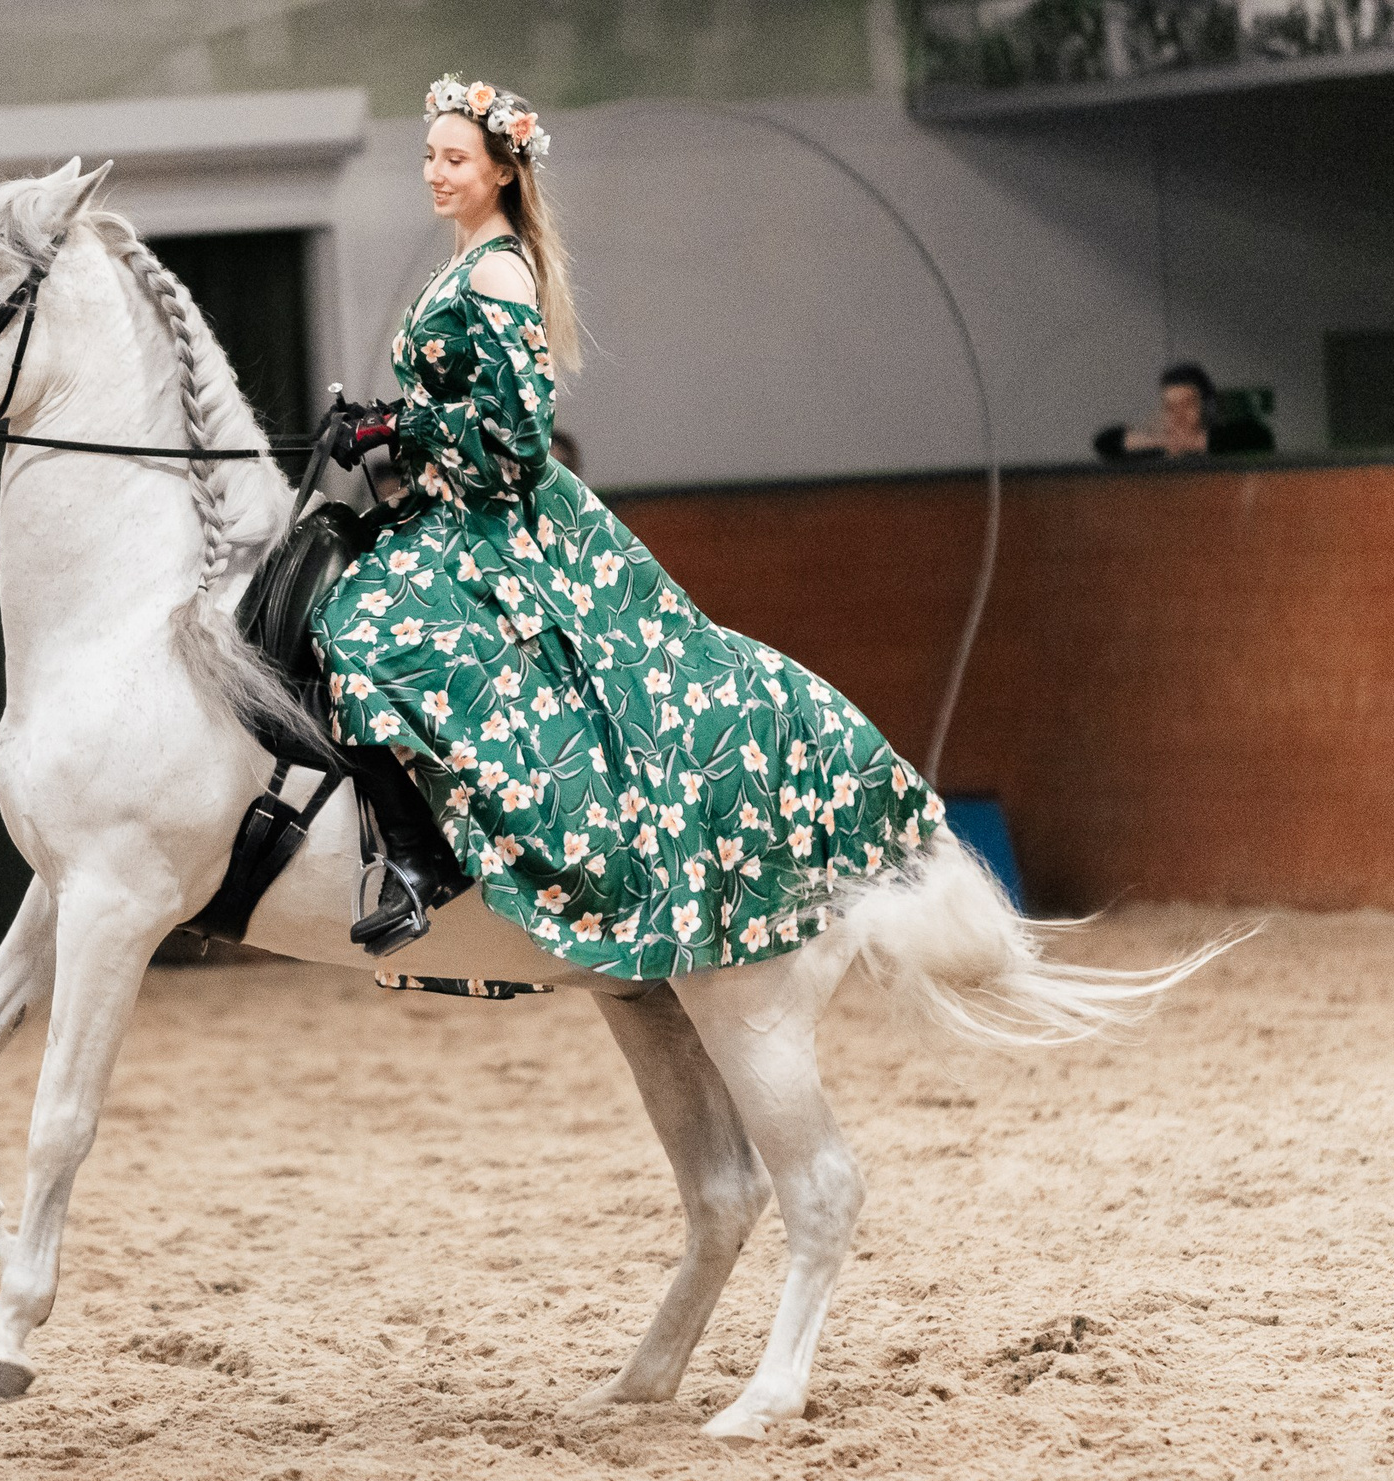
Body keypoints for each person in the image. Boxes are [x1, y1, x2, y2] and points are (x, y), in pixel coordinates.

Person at [309, 74, 944, 976]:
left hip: (494, 525)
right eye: (429, 156)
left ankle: (421, 860)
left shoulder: (496, 270)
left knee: (355, 624)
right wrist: (378, 416)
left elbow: (521, 438)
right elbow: (459, 399)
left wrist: (395, 426)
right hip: (445, 508)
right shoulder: (463, 261)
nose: (434, 172)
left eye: (454, 159)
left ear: (500, 174)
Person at [1093, 362, 1273, 461]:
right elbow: (1105, 442)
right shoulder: (1156, 451)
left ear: (1206, 407)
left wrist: (1191, 442)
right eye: (1170, 407)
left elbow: (1260, 437)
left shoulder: (1227, 442)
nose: (1178, 416)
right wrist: (1158, 440)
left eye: (1187, 405)